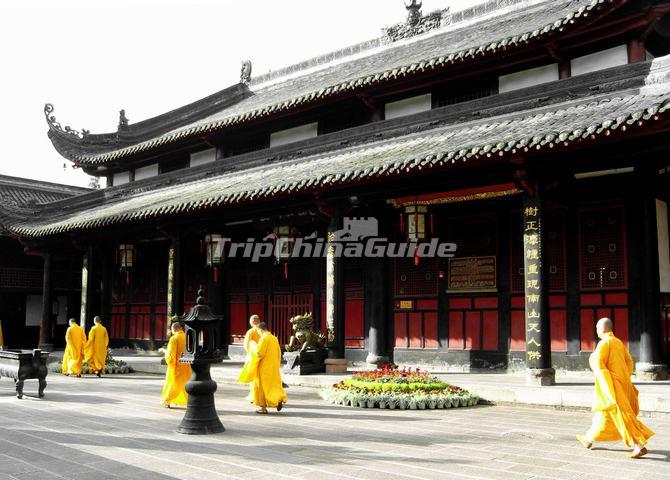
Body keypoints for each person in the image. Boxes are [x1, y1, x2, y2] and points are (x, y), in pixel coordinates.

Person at [577, 317, 655, 458]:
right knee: (604, 416)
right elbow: (629, 362)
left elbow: (598, 365)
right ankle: (588, 438)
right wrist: (624, 376)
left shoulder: (604, 343)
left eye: (596, 328)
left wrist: (607, 384)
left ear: (602, 329)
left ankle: (639, 445)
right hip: (621, 383)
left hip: (612, 386)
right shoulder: (618, 342)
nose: (596, 331)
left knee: (622, 415)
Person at [237, 322, 287, 414]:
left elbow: (259, 353)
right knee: (273, 385)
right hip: (273, 366)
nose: (258, 333)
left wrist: (252, 345)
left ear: (260, 329)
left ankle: (263, 408)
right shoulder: (274, 338)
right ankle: (278, 399)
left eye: (258, 331)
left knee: (262, 387)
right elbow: (279, 353)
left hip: (263, 367)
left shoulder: (264, 339)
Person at [160, 321, 191, 409]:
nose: (172, 330)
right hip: (186, 364)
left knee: (174, 384)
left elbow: (171, 356)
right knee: (185, 383)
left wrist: (164, 351)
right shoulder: (187, 337)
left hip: (177, 366)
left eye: (172, 328)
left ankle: (167, 400)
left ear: (174, 329)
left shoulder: (174, 339)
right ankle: (189, 401)